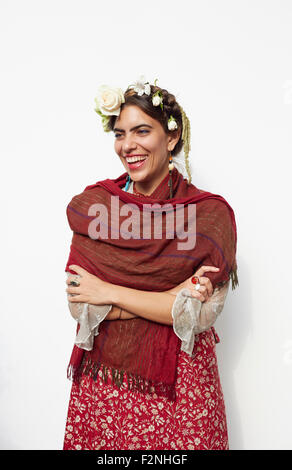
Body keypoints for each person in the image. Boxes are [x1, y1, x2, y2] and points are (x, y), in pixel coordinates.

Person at [63, 76, 238, 451]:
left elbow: (197, 315)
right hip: (108, 389)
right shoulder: (97, 209)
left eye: (142, 131)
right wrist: (170, 294)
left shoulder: (206, 216)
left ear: (171, 138)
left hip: (183, 389)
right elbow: (81, 306)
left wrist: (109, 292)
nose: (128, 145)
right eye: (120, 133)